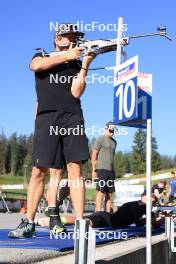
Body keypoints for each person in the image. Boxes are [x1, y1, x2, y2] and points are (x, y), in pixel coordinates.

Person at [8, 22, 96, 238]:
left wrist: (84, 63)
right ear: (57, 39)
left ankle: (80, 223)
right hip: (47, 117)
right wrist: (68, 55)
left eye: (75, 36)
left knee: (75, 169)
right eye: (68, 36)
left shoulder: (75, 62)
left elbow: (77, 92)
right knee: (40, 170)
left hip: (72, 115)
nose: (73, 39)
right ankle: (28, 222)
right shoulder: (42, 54)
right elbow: (36, 66)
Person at [36, 193, 164, 228]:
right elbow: (142, 223)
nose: (152, 203)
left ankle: (51, 220)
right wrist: (156, 219)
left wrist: (153, 219)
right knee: (82, 222)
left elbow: (139, 222)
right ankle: (47, 221)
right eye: (152, 200)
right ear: (144, 197)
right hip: (107, 219)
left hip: (107, 217)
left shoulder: (138, 206)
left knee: (81, 221)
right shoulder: (138, 206)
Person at [92, 122, 117, 212]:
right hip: (101, 169)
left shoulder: (114, 142)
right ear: (106, 129)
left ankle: (107, 214)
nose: (112, 132)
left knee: (110, 193)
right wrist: (94, 169)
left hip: (111, 171)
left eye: (113, 130)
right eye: (110, 130)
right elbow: (94, 153)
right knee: (101, 191)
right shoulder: (100, 139)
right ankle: (98, 212)